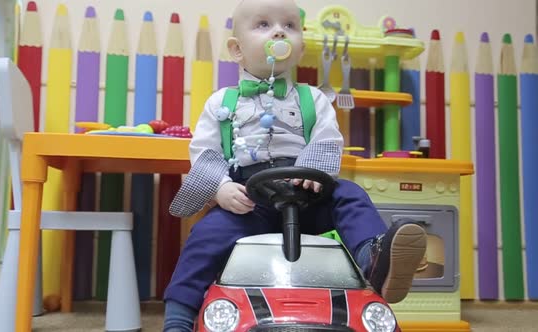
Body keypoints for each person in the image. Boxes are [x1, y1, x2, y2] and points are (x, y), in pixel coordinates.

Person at [163, 0, 426, 330]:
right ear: (236, 49)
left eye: (289, 26)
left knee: (350, 194)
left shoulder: (313, 99)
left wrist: (314, 173)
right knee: (204, 236)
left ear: (299, 47)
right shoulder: (221, 102)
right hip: (249, 202)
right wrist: (221, 187)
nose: (278, 31)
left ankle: (374, 259)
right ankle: (178, 316)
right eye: (263, 25)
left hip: (307, 195)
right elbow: (204, 151)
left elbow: (327, 140)